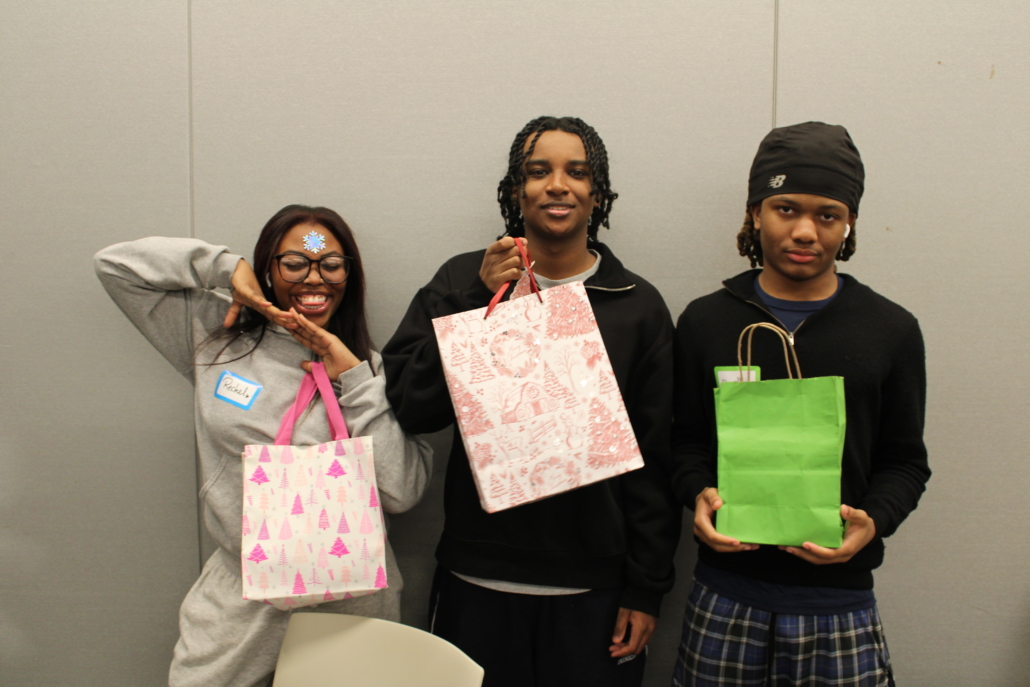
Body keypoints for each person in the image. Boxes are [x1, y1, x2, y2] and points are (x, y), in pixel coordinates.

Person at [382, 116, 681, 687]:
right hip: (477, 579)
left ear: (598, 193)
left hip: (594, 589)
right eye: (538, 171)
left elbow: (655, 460)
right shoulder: (461, 280)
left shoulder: (636, 306)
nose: (557, 185)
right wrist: (479, 299)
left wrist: (646, 588)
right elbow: (412, 407)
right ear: (516, 190)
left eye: (577, 172)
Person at [95, 205, 432, 687]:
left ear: (349, 276)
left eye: (331, 265)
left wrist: (354, 378)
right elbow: (115, 267)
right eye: (294, 263)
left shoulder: (370, 369)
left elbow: (402, 491)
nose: (314, 278)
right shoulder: (216, 339)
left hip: (352, 602)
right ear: (268, 271)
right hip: (242, 600)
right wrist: (225, 267)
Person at [669, 122, 931, 686]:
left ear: (849, 223)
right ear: (755, 213)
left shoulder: (890, 329)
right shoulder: (706, 322)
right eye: (786, 209)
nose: (806, 231)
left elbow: (906, 462)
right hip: (725, 595)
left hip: (839, 603)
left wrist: (873, 522)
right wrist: (698, 494)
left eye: (827, 215)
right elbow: (684, 442)